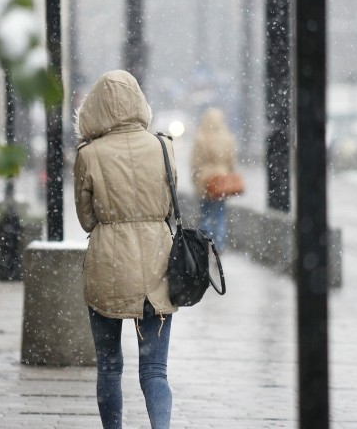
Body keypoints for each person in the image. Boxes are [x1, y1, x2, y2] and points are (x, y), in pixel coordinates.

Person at [73, 70, 178, 429]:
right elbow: (169, 208)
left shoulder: (90, 155)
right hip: (157, 267)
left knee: (109, 366)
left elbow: (86, 219)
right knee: (154, 371)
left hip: (108, 266)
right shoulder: (164, 146)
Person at [190, 107, 238, 252]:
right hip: (222, 179)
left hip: (205, 180)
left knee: (205, 213)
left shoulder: (201, 137)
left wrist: (196, 178)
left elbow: (195, 163)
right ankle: (219, 246)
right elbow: (231, 162)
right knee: (220, 215)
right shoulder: (227, 138)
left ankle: (205, 245)